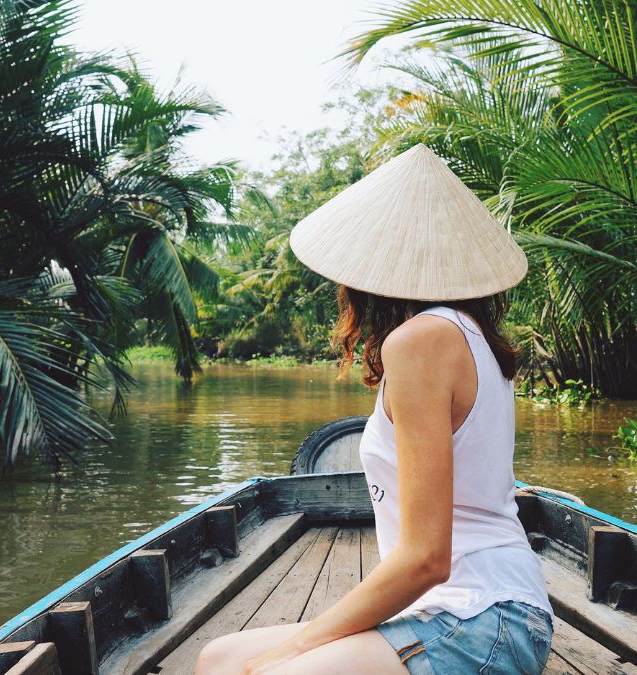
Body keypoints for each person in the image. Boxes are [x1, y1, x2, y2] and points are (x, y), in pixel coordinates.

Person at [194, 143, 554, 675]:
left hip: (485, 615)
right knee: (218, 658)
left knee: (266, 671)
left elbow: (428, 557)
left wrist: (295, 649)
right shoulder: (467, 334)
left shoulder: (422, 340)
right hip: (456, 608)